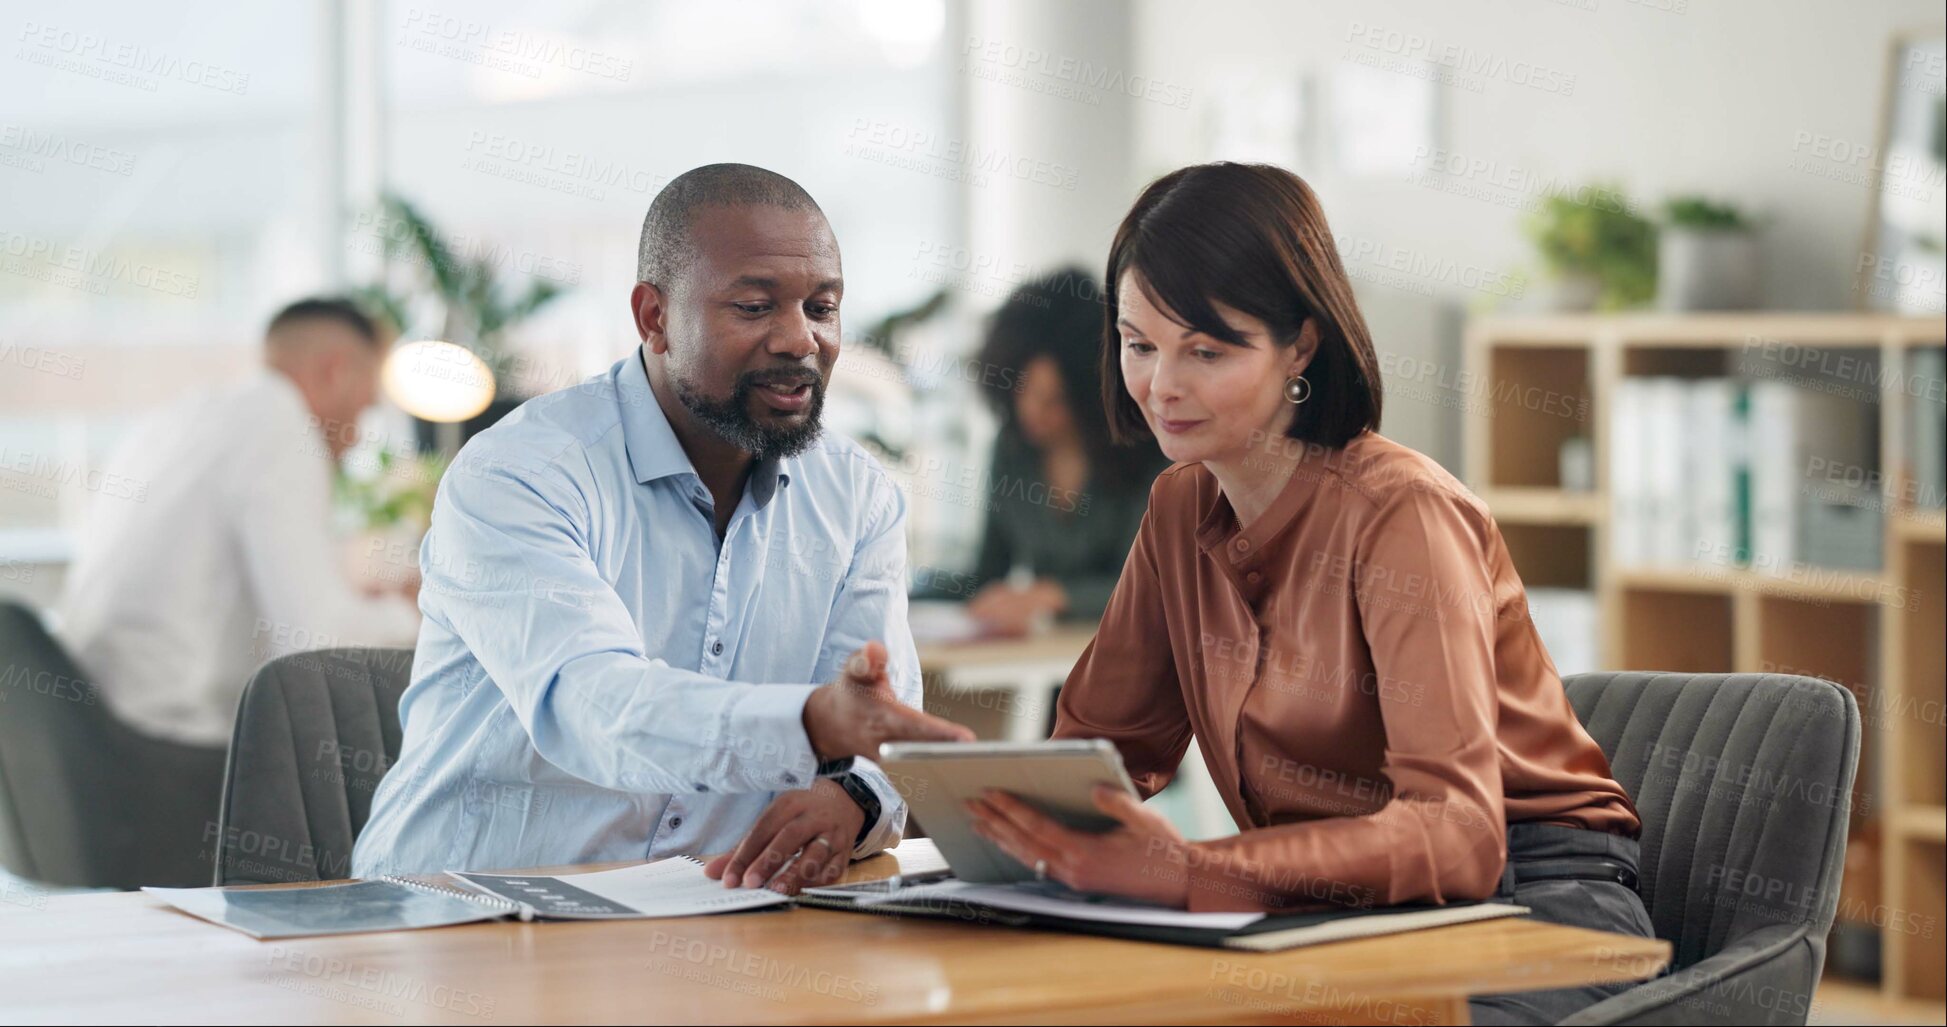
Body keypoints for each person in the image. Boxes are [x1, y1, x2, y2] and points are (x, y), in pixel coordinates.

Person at [963, 162, 1653, 1026]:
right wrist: (942, 776)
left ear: (1302, 346)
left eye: (1206, 351)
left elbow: (1458, 836)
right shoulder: (1179, 509)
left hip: (1529, 909)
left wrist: (1195, 871)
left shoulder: (1402, 512)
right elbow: (1099, 751)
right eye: (1138, 344)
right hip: (1336, 913)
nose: (1161, 386)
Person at [352, 164, 972, 891]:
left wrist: (850, 794)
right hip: (465, 915)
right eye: (753, 305)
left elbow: (875, 730)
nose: (799, 338)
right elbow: (592, 705)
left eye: (821, 307)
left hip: (710, 915)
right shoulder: (519, 473)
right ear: (654, 317)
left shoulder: (857, 497)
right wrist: (809, 724)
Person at [55, 298, 420, 747]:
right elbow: (320, 643)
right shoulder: (281, 425)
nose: (361, 434)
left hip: (90, 729)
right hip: (172, 741)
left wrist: (362, 603)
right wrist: (417, 610)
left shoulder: (182, 418)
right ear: (335, 370)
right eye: (367, 409)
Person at [928, 268, 1169, 633]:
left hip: (1138, 658)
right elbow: (986, 574)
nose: (1031, 412)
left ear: (1089, 393)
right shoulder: (1011, 448)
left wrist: (1051, 595)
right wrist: (903, 586)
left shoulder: (1148, 452)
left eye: (1052, 399)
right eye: (1020, 391)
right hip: (1053, 667)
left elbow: (1152, 588)